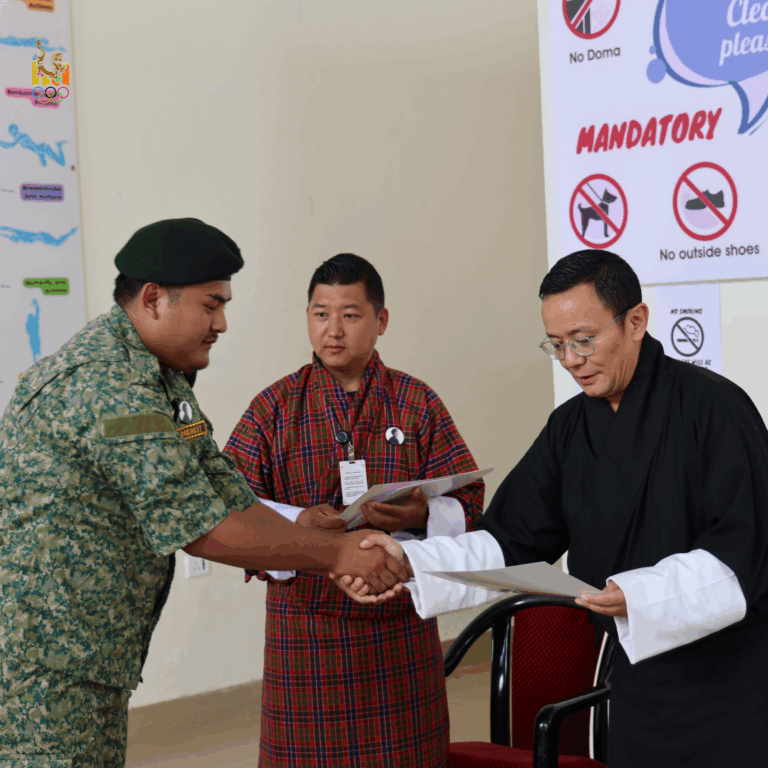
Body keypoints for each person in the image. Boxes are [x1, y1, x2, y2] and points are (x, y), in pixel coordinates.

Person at [0, 220, 405, 767]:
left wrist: (299, 531)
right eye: (211, 305)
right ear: (153, 299)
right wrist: (336, 554)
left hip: (88, 653)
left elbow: (218, 485)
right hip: (42, 661)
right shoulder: (107, 386)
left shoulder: (157, 377)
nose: (222, 324)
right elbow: (201, 526)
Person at [348, 249, 768, 768]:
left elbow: (742, 552)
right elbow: (512, 539)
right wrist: (412, 560)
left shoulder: (715, 408)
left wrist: (637, 594)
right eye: (558, 345)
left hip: (727, 683)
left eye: (585, 340)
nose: (571, 359)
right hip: (635, 676)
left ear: (635, 321)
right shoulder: (570, 427)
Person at [223, 253, 485, 768]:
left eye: (350, 314)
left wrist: (418, 516)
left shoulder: (416, 402)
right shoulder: (273, 407)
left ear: (380, 321)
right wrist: (298, 523)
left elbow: (470, 499)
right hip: (307, 634)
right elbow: (229, 505)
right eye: (321, 314)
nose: (333, 330)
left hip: (399, 628)